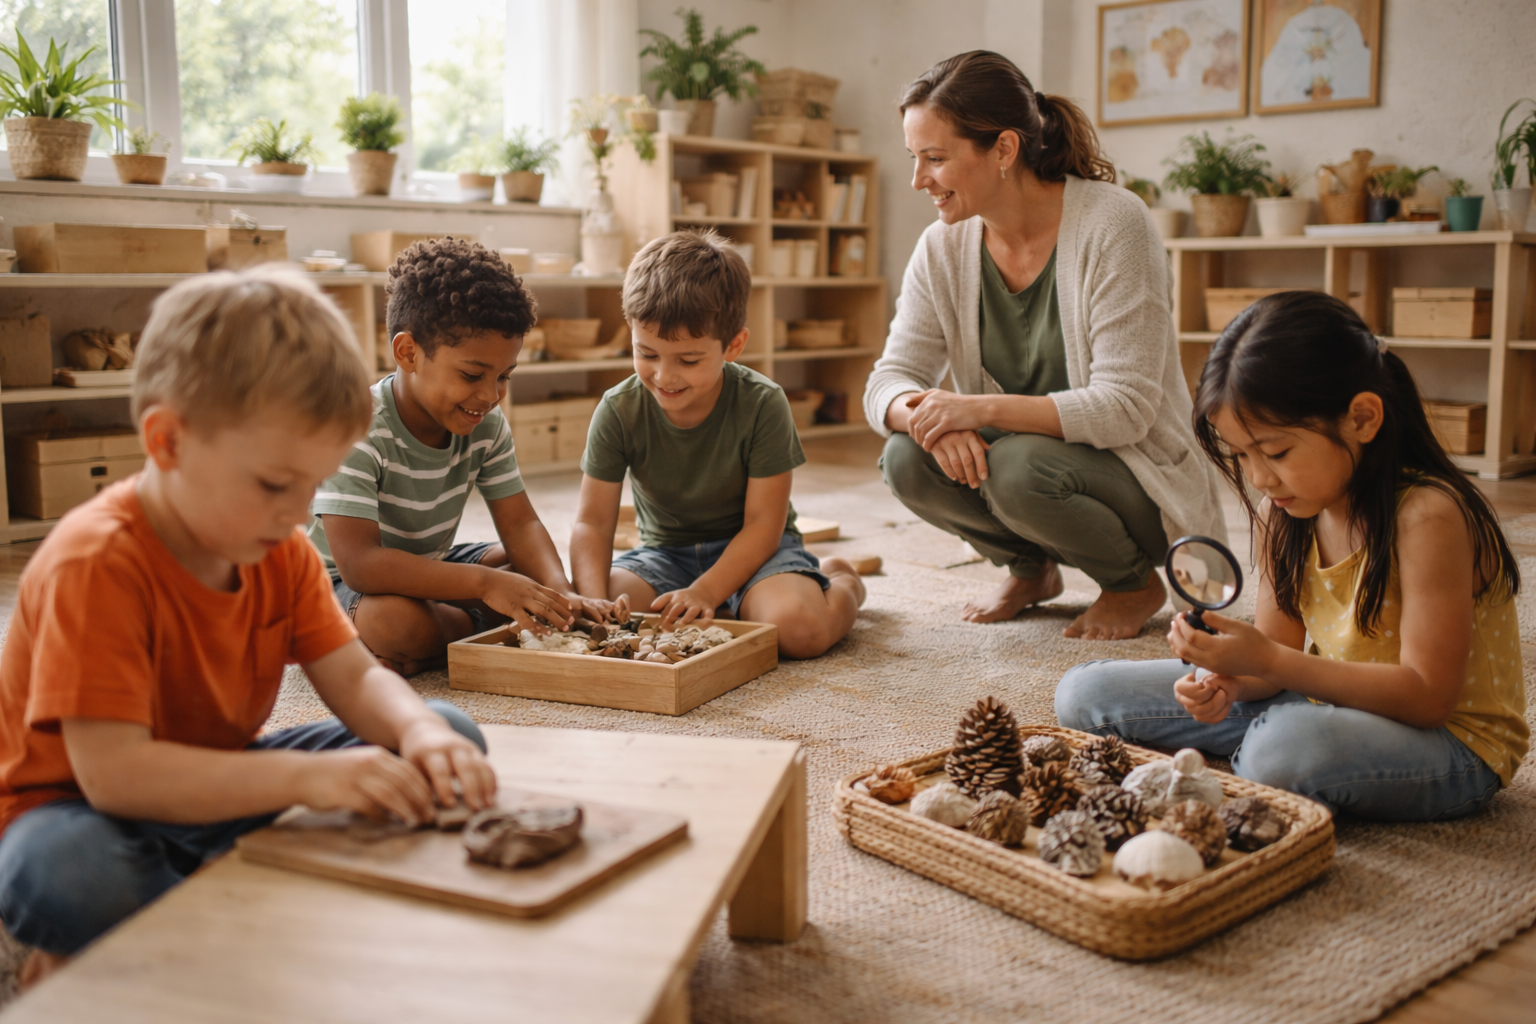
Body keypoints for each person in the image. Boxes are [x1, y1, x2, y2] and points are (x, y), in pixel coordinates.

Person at [0, 267, 498, 987]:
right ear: (167, 442)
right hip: (80, 812)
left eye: (312, 486)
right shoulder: (97, 561)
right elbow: (116, 777)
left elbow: (355, 675)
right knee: (74, 875)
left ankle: (154, 920)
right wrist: (313, 780)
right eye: (274, 484)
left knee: (449, 734)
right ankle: (133, 929)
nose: (299, 516)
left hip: (215, 789)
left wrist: (414, 733)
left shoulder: (280, 549)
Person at [1056, 292, 1526, 820]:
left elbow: (1428, 698)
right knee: (1085, 694)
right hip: (1329, 703)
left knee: (1277, 749)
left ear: (1362, 419)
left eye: (1276, 452)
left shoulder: (1428, 517)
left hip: (1451, 744)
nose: (1259, 477)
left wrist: (1270, 662)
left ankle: (1269, 757)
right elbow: (1274, 663)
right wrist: (1229, 679)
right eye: (1241, 455)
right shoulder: (1287, 512)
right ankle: (1269, 754)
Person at [866, 50, 1226, 639]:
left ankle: (1132, 583)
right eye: (915, 158)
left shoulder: (1114, 224)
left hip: (1137, 478)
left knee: (1015, 464)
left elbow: (1126, 407)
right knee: (906, 456)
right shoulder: (942, 247)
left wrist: (976, 409)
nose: (917, 180)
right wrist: (930, 417)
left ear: (1004, 149)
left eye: (935, 158)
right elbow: (888, 380)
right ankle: (1032, 571)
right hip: (1024, 474)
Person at [568, 231, 866, 658]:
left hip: (757, 550)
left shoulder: (764, 403)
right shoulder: (618, 409)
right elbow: (592, 524)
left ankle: (841, 581)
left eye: (688, 360)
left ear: (734, 346)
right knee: (614, 603)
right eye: (647, 354)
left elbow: (764, 525)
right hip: (664, 555)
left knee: (799, 630)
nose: (665, 377)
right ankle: (728, 604)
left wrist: (707, 589)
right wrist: (595, 603)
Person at [309, 237, 585, 675]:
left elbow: (520, 523)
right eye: (472, 374)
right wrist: (484, 585)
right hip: (342, 585)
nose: (491, 396)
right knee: (395, 623)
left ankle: (438, 642)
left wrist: (560, 593)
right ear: (408, 353)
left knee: (521, 576)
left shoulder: (486, 426)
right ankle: (443, 637)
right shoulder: (355, 427)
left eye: (504, 376)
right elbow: (361, 565)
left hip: (426, 569)